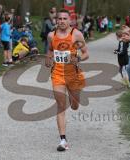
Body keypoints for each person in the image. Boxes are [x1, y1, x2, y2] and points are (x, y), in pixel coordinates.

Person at [45, 9, 89, 152]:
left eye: (65, 18)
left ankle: (74, 99)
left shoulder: (76, 34)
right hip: (57, 74)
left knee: (74, 105)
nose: (62, 21)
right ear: (56, 20)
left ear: (70, 20)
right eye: (60, 19)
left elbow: (86, 53)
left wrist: (77, 58)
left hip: (73, 75)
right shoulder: (51, 35)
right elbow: (50, 51)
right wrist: (48, 58)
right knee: (60, 105)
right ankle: (63, 140)